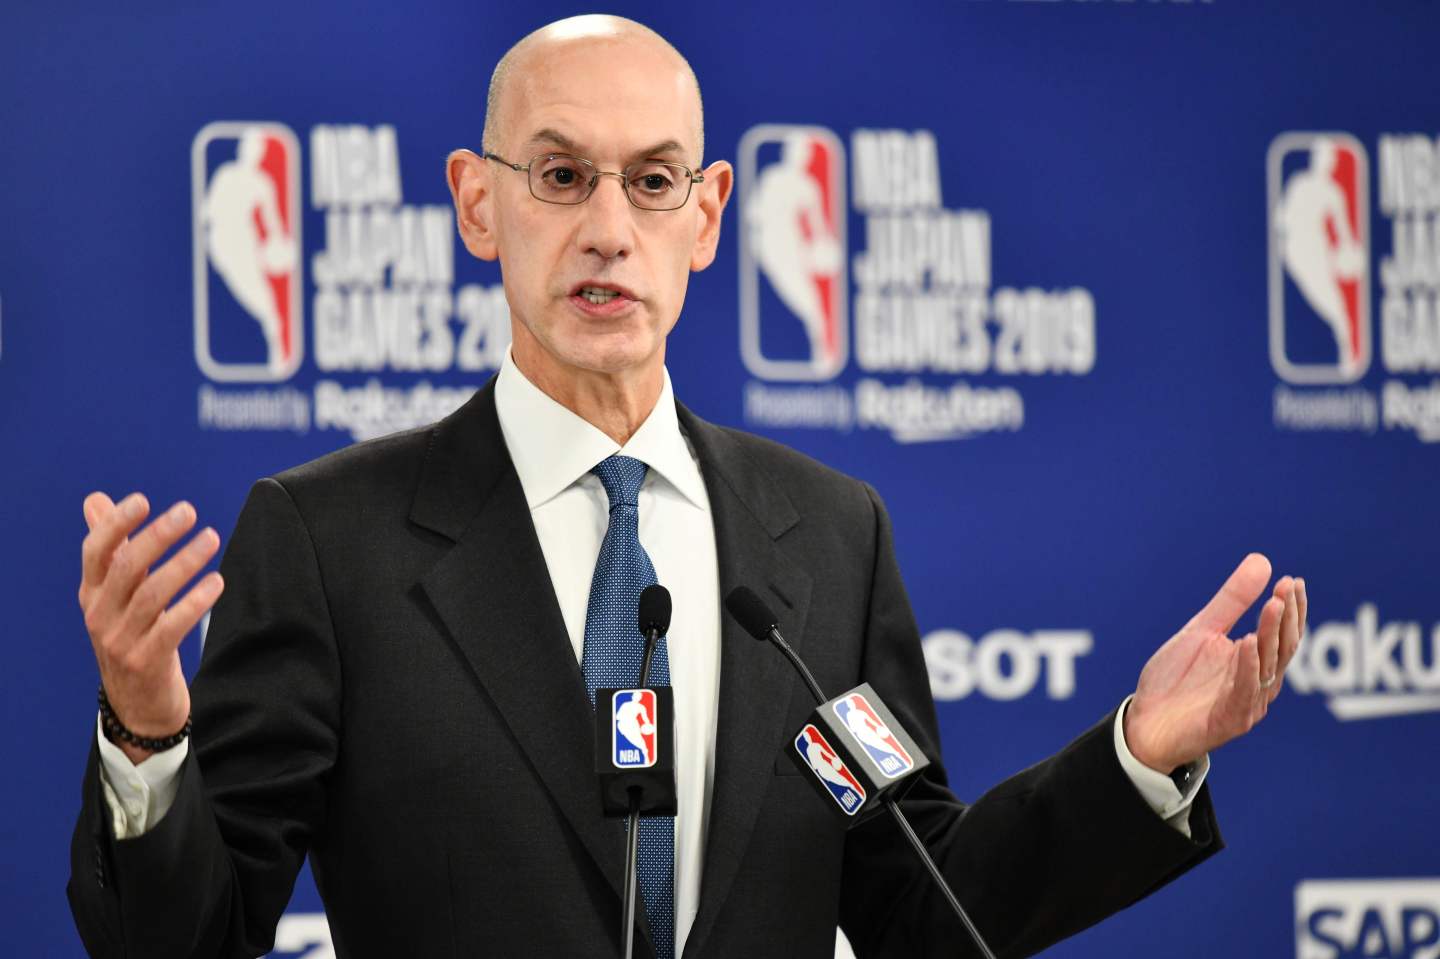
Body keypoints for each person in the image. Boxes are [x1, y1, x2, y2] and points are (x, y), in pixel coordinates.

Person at [70, 15, 1308, 959]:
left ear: (708, 215)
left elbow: (915, 903)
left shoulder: (824, 536)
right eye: (561, 177)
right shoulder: (332, 541)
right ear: (476, 202)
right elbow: (194, 937)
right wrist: (147, 733)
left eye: (653, 181)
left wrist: (1139, 754)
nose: (610, 227)